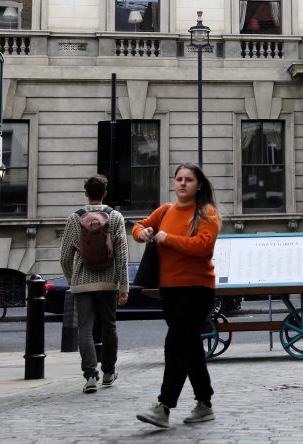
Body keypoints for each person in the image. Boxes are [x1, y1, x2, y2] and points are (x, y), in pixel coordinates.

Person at [133, 163, 221, 428]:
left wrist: (166, 238)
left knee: (175, 345)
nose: (182, 183)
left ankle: (164, 406)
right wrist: (144, 232)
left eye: (189, 180)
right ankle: (204, 404)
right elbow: (138, 227)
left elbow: (203, 247)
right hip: (169, 289)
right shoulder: (166, 210)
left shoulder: (206, 212)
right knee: (190, 347)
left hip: (198, 288)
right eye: (179, 179)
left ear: (199, 185)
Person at [59, 174, 129, 394]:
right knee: (109, 326)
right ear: (105, 193)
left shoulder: (74, 219)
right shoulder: (115, 217)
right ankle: (108, 372)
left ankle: (90, 376)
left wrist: (72, 278)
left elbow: (64, 257)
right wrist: (123, 286)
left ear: (86, 193)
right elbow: (122, 255)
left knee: (85, 329)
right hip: (109, 283)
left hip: (83, 284)